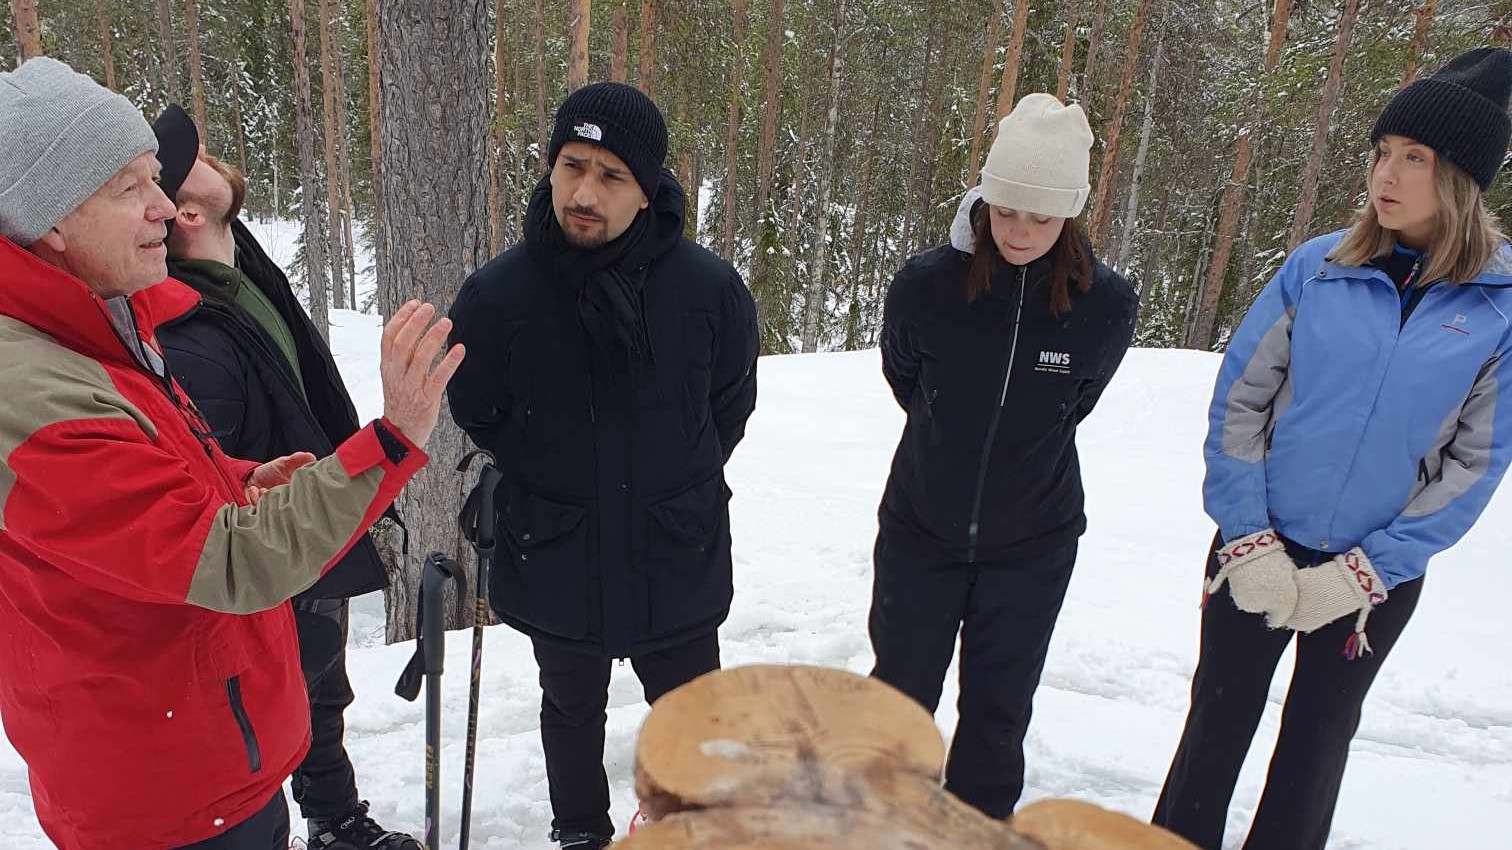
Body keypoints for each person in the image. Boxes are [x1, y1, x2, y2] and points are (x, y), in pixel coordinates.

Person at [0, 58, 462, 850]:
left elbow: (143, 500)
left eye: (158, 179)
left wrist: (239, 477)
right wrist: (393, 441)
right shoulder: (34, 392)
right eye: (129, 189)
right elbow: (230, 563)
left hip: (203, 761)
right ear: (51, 221)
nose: (164, 208)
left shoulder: (95, 325)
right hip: (162, 796)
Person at [1153, 47, 1512, 850]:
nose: (1386, 174)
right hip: (1259, 542)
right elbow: (1239, 405)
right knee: (1214, 727)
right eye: (1382, 152)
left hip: (1373, 579)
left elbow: (1474, 468)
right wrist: (1248, 539)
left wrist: (1367, 571)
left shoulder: (1498, 309)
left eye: (1413, 158)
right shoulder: (1319, 268)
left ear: (1459, 176)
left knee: (1315, 747)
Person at [447, 82, 758, 849]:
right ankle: (580, 833)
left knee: (690, 713)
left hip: (674, 549)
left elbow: (728, 407)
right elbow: (477, 409)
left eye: (611, 175)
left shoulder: (709, 291)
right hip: (558, 551)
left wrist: (667, 483)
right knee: (571, 706)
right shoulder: (498, 295)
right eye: (571, 165)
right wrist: (556, 482)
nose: (584, 192)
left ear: (647, 190)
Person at [149, 105, 421, 850]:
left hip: (309, 520)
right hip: (280, 547)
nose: (212, 153)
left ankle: (333, 820)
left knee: (322, 692)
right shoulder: (190, 338)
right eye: (196, 156)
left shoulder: (231, 264)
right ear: (188, 210)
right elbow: (212, 503)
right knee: (283, 703)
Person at [869, 93, 1139, 819]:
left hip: (1033, 543)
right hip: (920, 532)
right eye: (1006, 209)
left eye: (1041, 217)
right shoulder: (926, 287)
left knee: (997, 713)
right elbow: (908, 380)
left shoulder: (1104, 305)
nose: (1019, 230)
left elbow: (1074, 403)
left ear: (1072, 214)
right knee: (898, 701)